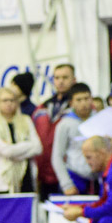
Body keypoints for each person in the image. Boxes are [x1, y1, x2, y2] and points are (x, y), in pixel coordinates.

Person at [0, 87, 41, 193]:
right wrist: (27, 146)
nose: (9, 103)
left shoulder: (26, 120)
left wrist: (13, 149)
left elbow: (38, 147)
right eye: (5, 100)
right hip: (3, 179)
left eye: (12, 100)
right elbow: (6, 151)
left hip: (26, 175)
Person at [33, 64, 77, 200]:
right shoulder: (42, 108)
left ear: (74, 80)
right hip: (44, 173)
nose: (60, 81)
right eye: (57, 78)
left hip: (70, 172)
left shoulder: (80, 108)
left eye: (65, 77)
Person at [50, 83, 96, 195]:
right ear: (71, 103)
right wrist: (66, 184)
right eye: (79, 100)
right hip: (75, 179)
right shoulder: (64, 124)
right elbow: (57, 156)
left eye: (86, 98)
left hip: (98, 179)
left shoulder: (99, 119)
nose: (84, 103)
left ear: (91, 99)